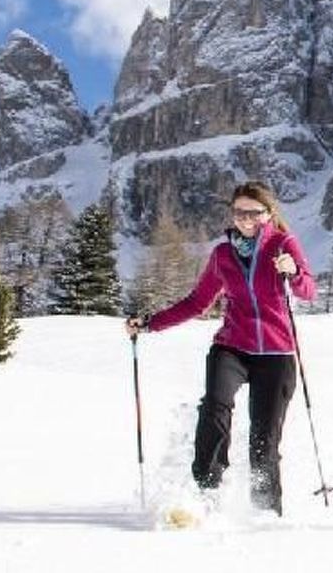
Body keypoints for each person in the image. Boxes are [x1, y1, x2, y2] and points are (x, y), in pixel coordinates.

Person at [126, 181, 316, 516]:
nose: (245, 219)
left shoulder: (282, 245)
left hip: (276, 354)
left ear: (268, 213)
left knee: (264, 438)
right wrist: (151, 323)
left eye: (253, 213)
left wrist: (295, 271)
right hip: (232, 347)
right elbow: (197, 302)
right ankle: (206, 494)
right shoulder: (223, 255)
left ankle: (265, 512)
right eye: (239, 212)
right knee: (215, 408)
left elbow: (308, 291)